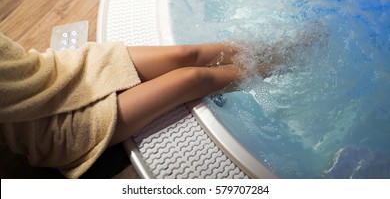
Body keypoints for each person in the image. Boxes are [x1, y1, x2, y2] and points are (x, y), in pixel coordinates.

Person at [0, 29, 311, 178]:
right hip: (51, 126)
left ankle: (283, 46)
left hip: (57, 73)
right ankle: (284, 64)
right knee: (190, 79)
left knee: (185, 55)